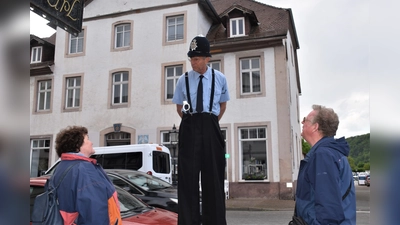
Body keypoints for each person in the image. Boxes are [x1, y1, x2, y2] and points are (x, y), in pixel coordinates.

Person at [172, 35, 230, 225]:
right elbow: (179, 107)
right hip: (190, 125)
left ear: (207, 59)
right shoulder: (183, 80)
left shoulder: (220, 78)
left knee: (213, 176)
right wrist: (192, 122)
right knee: (187, 177)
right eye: (191, 58)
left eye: (196, 59)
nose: (193, 62)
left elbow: (222, 106)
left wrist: (209, 121)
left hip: (211, 125)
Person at [295, 105, 356, 224]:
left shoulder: (323, 155)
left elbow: (328, 208)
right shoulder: (329, 153)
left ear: (315, 127)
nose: (302, 122)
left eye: (305, 120)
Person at [52, 126, 122, 225]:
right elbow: (94, 213)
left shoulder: (61, 167)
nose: (91, 142)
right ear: (77, 145)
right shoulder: (84, 169)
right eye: (87, 139)